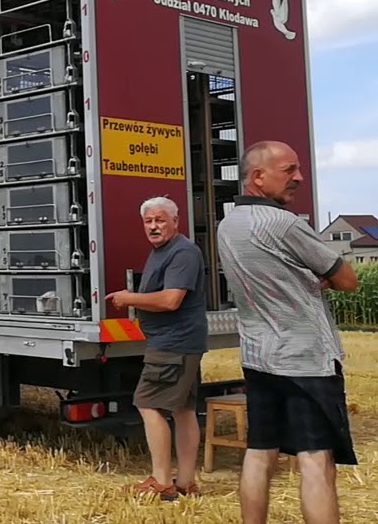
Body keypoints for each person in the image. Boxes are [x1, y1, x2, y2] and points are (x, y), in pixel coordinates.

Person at [217, 140, 359, 524]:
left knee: (260, 452)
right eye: (289, 170)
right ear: (258, 177)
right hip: (305, 362)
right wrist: (315, 281)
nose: (298, 178)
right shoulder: (284, 224)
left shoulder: (228, 226)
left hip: (258, 357)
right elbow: (347, 279)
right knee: (316, 461)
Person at [105, 195, 208, 501]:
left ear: (176, 222)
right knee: (184, 409)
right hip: (180, 343)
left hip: (173, 344)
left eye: (160, 220)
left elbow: (170, 300)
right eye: (148, 221)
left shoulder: (183, 252)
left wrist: (129, 298)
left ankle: (162, 482)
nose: (153, 226)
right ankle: (186, 482)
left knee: (147, 404)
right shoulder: (162, 252)